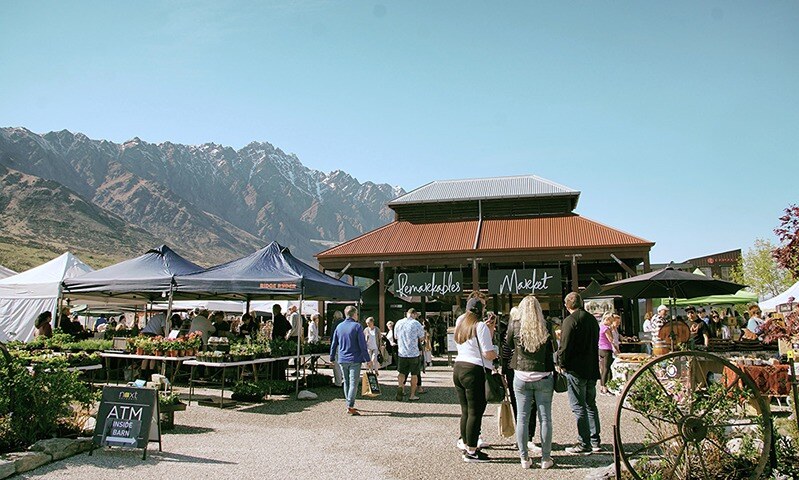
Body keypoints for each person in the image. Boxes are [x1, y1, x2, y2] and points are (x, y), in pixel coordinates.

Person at [506, 295, 556, 470]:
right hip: (543, 376)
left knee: (522, 417)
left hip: (521, 375)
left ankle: (524, 459)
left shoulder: (515, 324)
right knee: (545, 418)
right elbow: (553, 349)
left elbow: (508, 344)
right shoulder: (546, 325)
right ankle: (545, 458)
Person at [453, 294, 497, 463]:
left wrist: (488, 329)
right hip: (474, 369)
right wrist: (496, 353)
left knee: (465, 410)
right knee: (475, 411)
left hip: (459, 367)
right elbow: (487, 352)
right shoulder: (480, 326)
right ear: (481, 310)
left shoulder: (460, 323)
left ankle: (465, 443)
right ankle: (471, 451)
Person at [557, 292, 601, 455]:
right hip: (591, 366)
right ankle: (595, 440)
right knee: (591, 404)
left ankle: (584, 443)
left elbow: (565, 346)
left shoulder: (570, 321)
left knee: (578, 406)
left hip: (576, 368)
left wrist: (561, 363)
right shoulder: (591, 319)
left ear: (567, 304)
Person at [501, 307, 538, 456]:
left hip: (512, 369)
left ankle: (522, 435)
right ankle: (528, 435)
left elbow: (505, 352)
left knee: (518, 403)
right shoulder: (530, 330)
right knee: (532, 403)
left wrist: (503, 369)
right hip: (525, 368)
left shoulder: (508, 331)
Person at [329, 306, 370, 416]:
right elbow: (363, 345)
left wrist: (332, 357)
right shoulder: (357, 326)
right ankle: (350, 405)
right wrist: (368, 359)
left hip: (342, 358)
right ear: (354, 314)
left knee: (346, 382)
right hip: (355, 358)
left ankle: (348, 403)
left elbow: (334, 343)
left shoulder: (339, 327)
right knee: (353, 383)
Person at [394, 308, 426, 401]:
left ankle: (401, 387)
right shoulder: (416, 324)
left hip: (402, 352)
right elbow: (422, 338)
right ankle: (412, 395)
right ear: (414, 314)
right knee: (414, 374)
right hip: (413, 353)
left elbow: (396, 337)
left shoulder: (399, 323)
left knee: (401, 373)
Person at [598, 312, 621, 396]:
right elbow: (611, 340)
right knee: (607, 369)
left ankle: (602, 386)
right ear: (607, 320)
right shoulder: (605, 328)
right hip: (606, 349)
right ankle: (605, 388)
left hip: (600, 348)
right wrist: (617, 349)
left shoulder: (600, 327)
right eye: (610, 321)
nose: (611, 323)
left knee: (603, 369)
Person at [330, 310, 345, 387]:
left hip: (338, 345)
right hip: (345, 345)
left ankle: (338, 382)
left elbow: (333, 337)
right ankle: (345, 381)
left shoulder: (335, 324)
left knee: (336, 364)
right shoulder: (345, 322)